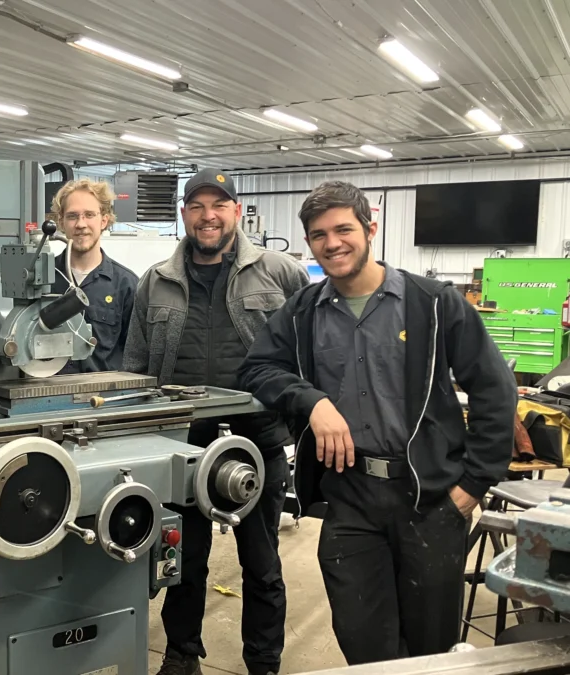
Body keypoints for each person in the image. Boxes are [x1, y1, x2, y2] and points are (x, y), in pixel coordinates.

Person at [237, 180, 517, 665]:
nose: (332, 243)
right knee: (364, 643)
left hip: (429, 499)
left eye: (343, 229)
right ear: (309, 243)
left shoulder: (434, 303)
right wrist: (312, 402)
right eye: (319, 235)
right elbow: (256, 368)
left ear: (370, 229)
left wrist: (472, 484)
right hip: (351, 500)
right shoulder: (303, 311)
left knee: (431, 650)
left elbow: (496, 389)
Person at [124, 168, 309, 675]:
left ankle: (263, 662)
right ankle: (183, 655)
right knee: (183, 561)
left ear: (235, 210)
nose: (209, 216)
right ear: (184, 214)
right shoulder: (156, 281)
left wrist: (299, 420)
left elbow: (308, 351)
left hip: (258, 441)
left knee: (262, 565)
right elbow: (137, 364)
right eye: (198, 206)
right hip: (182, 445)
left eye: (218, 205)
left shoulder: (280, 272)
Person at [49, 178, 137, 373]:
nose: (81, 224)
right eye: (72, 216)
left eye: (89, 215)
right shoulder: (43, 278)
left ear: (104, 220)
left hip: (104, 399)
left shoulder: (126, 285)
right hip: (48, 397)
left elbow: (136, 356)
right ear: (61, 222)